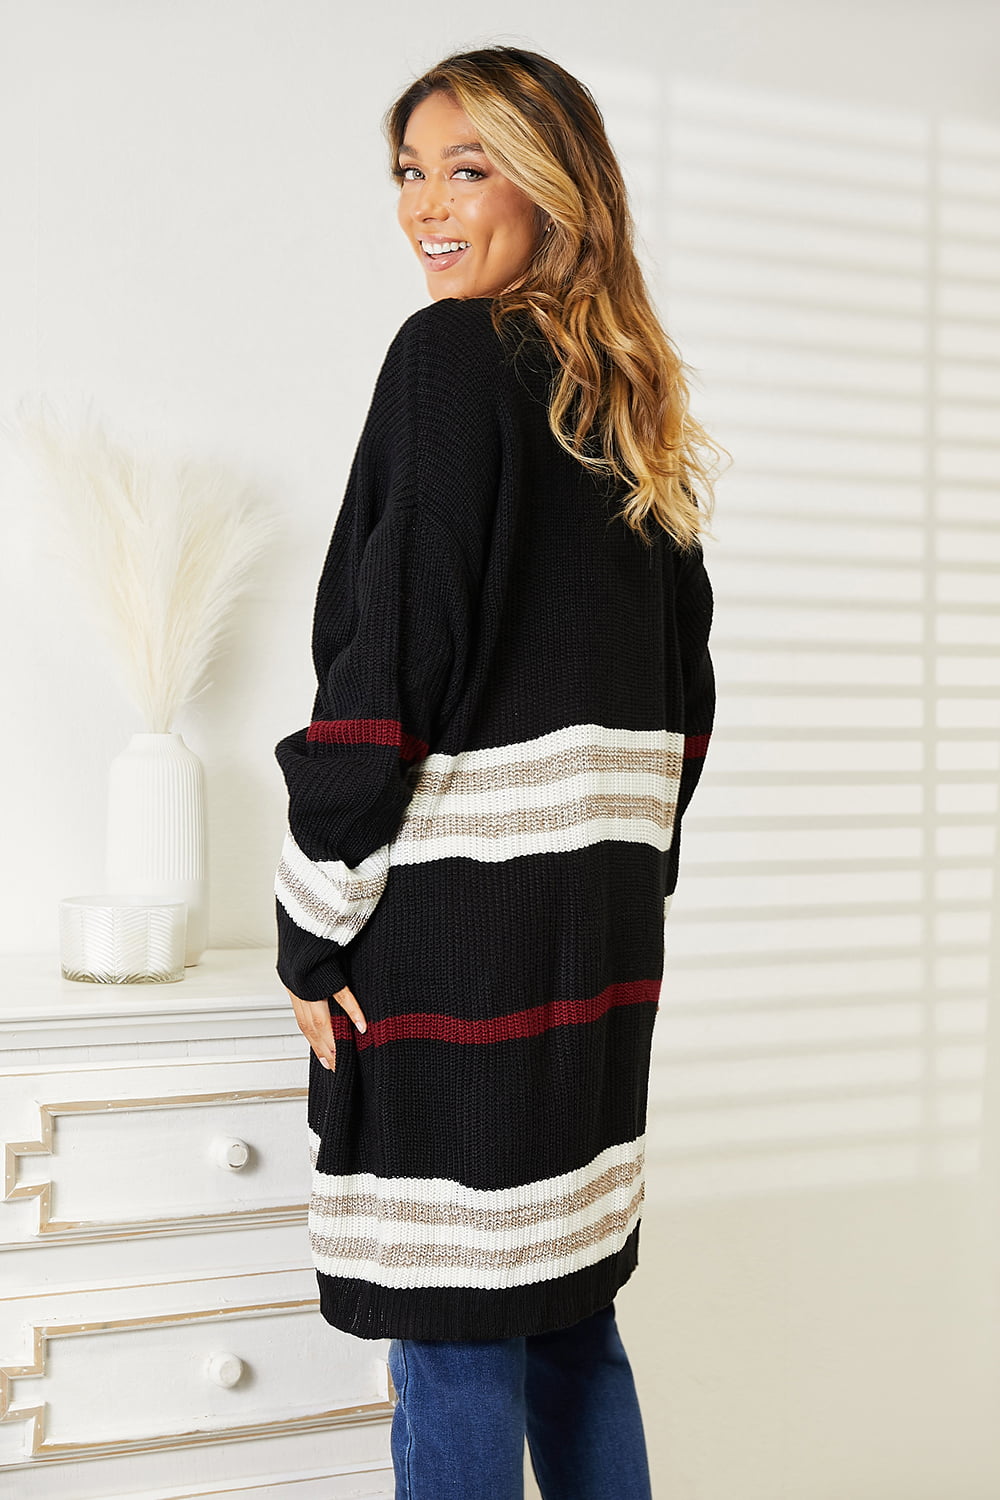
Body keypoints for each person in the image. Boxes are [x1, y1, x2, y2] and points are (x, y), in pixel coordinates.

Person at [272, 43, 724, 1500]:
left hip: (459, 943)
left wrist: (310, 926)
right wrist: (610, 881)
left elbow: (385, 671)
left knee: (455, 1328)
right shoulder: (627, 408)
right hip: (594, 943)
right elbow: (685, 714)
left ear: (554, 185)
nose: (428, 206)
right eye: (411, 170)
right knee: (569, 1313)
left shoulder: (451, 363)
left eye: (470, 167)